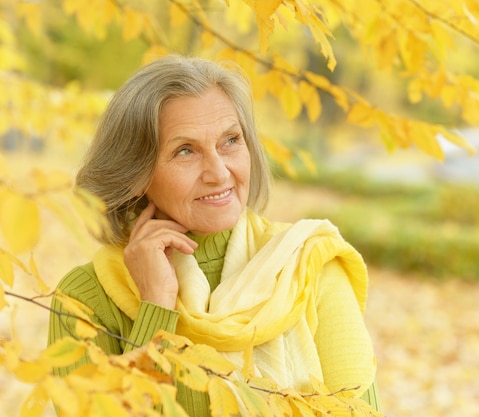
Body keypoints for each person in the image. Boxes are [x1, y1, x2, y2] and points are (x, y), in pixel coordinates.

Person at [48, 54, 380, 416]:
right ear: (135, 173)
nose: (219, 173)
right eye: (185, 151)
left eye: (230, 140)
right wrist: (156, 305)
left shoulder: (309, 265)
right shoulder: (84, 299)